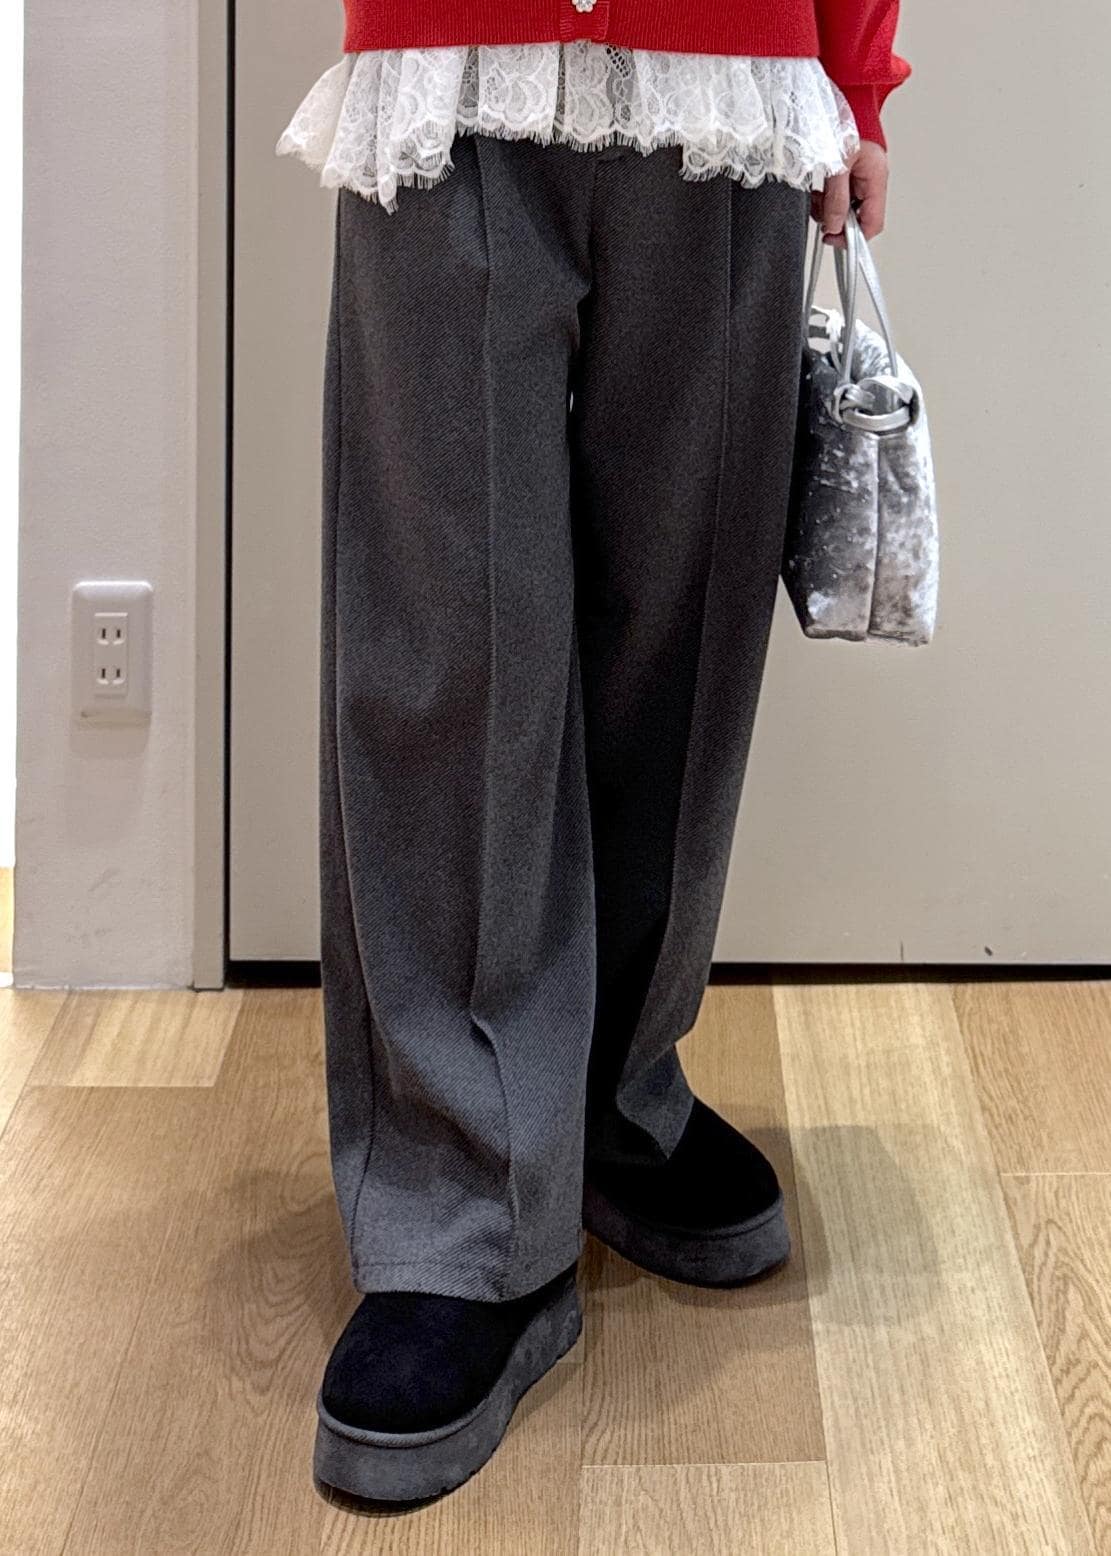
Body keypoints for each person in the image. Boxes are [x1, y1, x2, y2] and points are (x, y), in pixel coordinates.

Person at [278, 0, 909, 1506]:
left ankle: (615, 1100)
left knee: (680, 623)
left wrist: (858, 74)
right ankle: (459, 1205)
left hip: (731, 67)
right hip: (452, 56)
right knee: (447, 638)